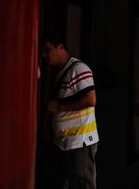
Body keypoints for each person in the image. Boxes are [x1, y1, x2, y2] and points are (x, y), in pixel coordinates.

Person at [43, 34, 99, 189]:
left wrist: (59, 107)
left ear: (60, 47)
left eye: (48, 50)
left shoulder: (78, 69)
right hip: (65, 143)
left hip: (80, 142)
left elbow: (90, 100)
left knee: (83, 184)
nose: (45, 55)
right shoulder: (60, 73)